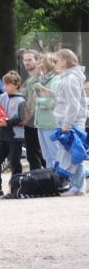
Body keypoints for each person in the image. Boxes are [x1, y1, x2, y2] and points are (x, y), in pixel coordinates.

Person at [0, 71, 26, 199]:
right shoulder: (2, 97)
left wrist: (7, 122)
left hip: (15, 137)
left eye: (8, 84)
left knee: (15, 164)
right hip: (2, 137)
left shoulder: (21, 100)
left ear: (16, 84)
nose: (5, 86)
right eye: (4, 83)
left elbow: (22, 119)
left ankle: (15, 190)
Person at [51, 49, 87, 196]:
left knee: (73, 154)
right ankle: (78, 187)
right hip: (68, 120)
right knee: (73, 154)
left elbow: (73, 104)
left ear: (65, 61)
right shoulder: (68, 77)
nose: (55, 63)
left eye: (57, 60)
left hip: (71, 121)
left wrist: (67, 123)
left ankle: (78, 187)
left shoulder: (71, 78)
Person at [32, 53, 61, 173]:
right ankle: (52, 181)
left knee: (55, 155)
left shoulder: (56, 79)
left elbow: (52, 102)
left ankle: (61, 181)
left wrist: (37, 100)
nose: (39, 65)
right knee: (47, 156)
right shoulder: (43, 79)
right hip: (41, 123)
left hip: (51, 123)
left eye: (41, 62)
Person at [20, 50, 45, 170]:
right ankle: (39, 181)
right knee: (34, 153)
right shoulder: (30, 79)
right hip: (32, 120)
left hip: (38, 119)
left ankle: (56, 181)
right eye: (25, 60)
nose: (27, 62)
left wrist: (27, 117)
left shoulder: (40, 78)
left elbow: (36, 101)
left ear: (37, 60)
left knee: (39, 153)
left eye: (30, 59)